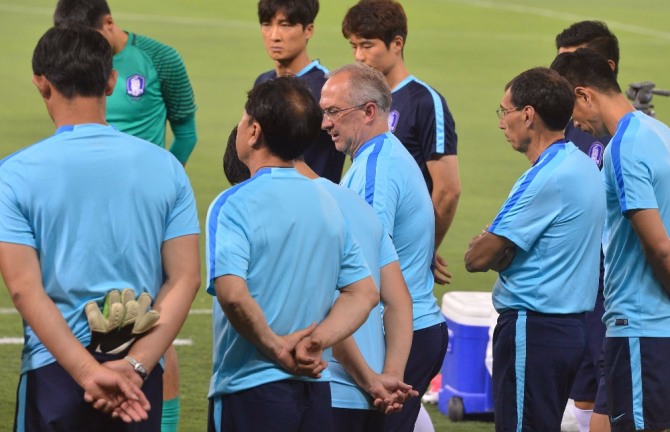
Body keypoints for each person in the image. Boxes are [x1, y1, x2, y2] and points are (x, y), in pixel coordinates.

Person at [0, 25, 201, 431]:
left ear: (42, 84)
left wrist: (87, 372)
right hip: (137, 379)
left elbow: (23, 288)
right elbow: (185, 278)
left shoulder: (14, 174)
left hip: (54, 370)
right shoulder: (166, 168)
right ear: (111, 81)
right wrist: (134, 365)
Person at [53, 1, 199, 429]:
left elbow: (186, 129)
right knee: (78, 314)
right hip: (82, 210)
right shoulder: (74, 69)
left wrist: (160, 193)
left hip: (141, 214)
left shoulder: (160, 58)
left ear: (110, 24)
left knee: (153, 322)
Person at [206, 76, 380, 432]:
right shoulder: (327, 202)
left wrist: (278, 348)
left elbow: (232, 295)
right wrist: (316, 343)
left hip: (249, 392)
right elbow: (364, 293)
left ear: (253, 132)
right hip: (314, 395)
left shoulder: (233, 204)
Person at [222, 122, 417, 431]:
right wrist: (388, 376)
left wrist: (368, 380)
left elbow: (326, 311)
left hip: (322, 389)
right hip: (373, 399)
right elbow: (400, 302)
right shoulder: (358, 206)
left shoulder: (287, 212)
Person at [464, 67, 605, 431]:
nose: (500, 123)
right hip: (570, 330)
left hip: (534, 328)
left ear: (527, 115)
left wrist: (497, 250)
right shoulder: (583, 164)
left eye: (504, 111)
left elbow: (477, 258)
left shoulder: (545, 177)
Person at [320, 62, 448, 432]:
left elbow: (364, 264)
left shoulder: (376, 169)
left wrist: (370, 370)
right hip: (409, 329)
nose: (325, 123)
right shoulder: (378, 157)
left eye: (333, 112)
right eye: (323, 112)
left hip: (396, 335)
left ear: (369, 112)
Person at [552, 49, 670, 432]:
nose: (576, 125)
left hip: (640, 327)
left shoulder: (623, 148)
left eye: (573, 111)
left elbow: (660, 247)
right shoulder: (661, 134)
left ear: (585, 95)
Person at [341, 0, 460, 285]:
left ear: (396, 43)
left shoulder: (425, 102)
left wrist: (424, 250)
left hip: (402, 262)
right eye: (354, 46)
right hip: (366, 250)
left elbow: (447, 190)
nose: (359, 56)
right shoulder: (360, 103)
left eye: (367, 45)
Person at [554, 20, 620, 432]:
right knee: (583, 392)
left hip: (612, 291)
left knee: (613, 394)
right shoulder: (567, 124)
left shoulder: (625, 136)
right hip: (573, 286)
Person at [54, 0, 198, 166]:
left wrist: (164, 176)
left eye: (89, 40)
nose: (82, 51)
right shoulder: (69, 62)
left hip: (142, 184)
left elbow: (186, 134)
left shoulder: (161, 59)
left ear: (108, 23)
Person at [253, 0, 345, 183]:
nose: (274, 36)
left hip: (315, 204)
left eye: (285, 25)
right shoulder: (262, 83)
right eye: (266, 25)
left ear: (308, 30)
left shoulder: (328, 89)